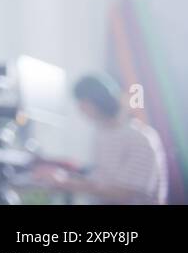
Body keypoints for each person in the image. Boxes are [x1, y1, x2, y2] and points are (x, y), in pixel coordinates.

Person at [31, 73, 168, 204]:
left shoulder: (140, 138)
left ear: (99, 100)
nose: (80, 108)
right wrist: (63, 176)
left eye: (83, 102)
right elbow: (102, 181)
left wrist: (65, 183)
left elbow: (126, 192)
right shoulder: (102, 134)